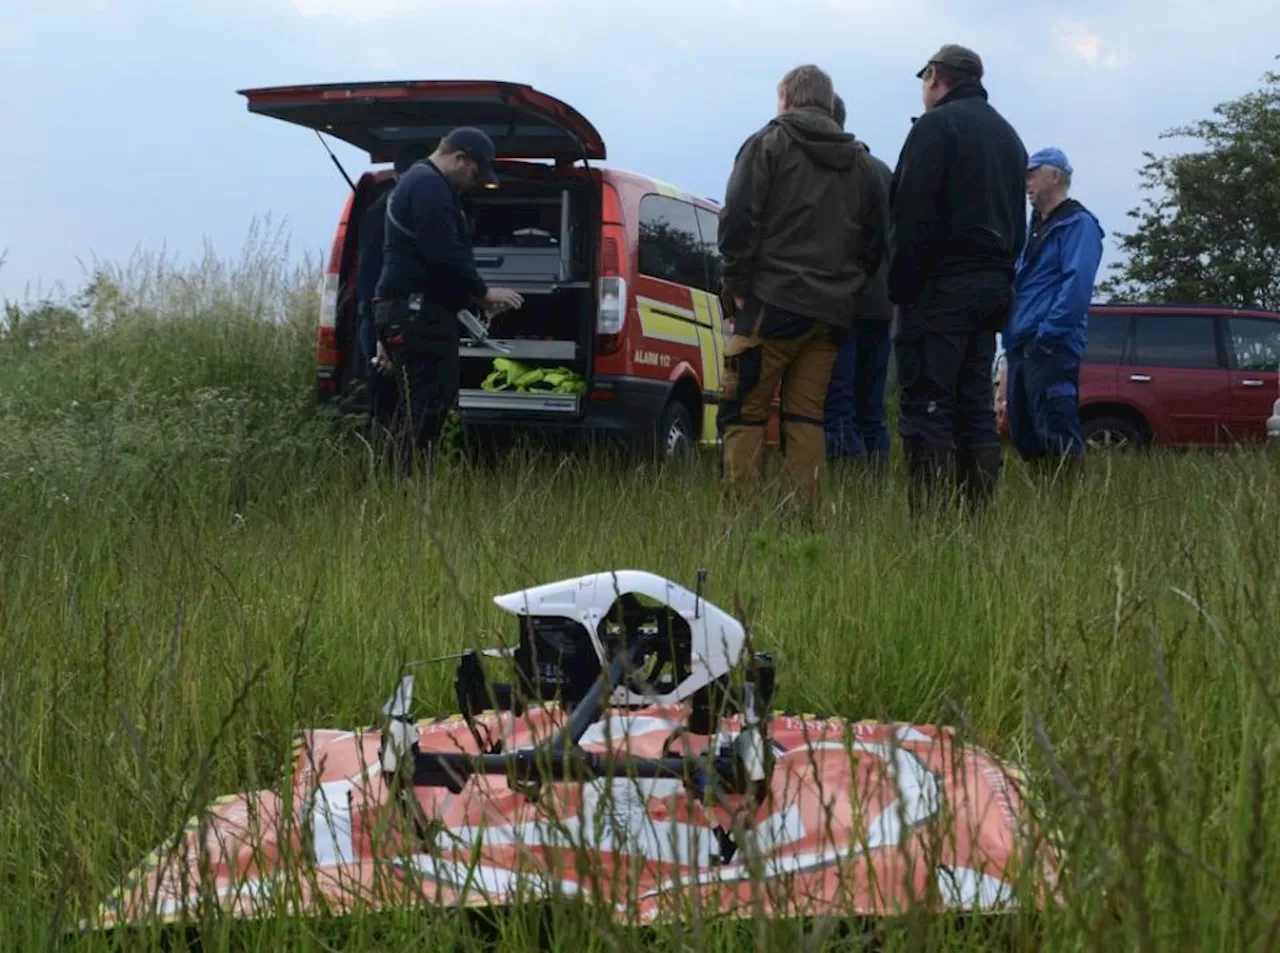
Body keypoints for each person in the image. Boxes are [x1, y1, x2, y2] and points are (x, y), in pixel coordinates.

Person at [716, 64, 887, 517]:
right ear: (828, 103)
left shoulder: (768, 144)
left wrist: (735, 282)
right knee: (806, 417)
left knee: (744, 410)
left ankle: (742, 520)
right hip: (830, 315)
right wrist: (847, 286)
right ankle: (804, 522)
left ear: (788, 98)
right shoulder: (863, 164)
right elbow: (876, 241)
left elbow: (737, 220)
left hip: (771, 303)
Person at [888, 44, 1028, 514]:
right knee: (974, 408)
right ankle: (977, 518)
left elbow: (910, 216)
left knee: (928, 405)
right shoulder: (1010, 137)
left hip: (940, 289)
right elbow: (1018, 226)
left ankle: (931, 522)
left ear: (934, 77)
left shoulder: (935, 128)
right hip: (991, 292)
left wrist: (903, 291)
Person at [371, 127, 524, 473]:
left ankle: (399, 486)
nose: (474, 180)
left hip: (401, 310)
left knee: (413, 408)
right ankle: (408, 489)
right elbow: (443, 254)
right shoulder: (429, 187)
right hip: (418, 314)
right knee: (429, 408)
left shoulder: (415, 182)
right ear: (459, 158)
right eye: (474, 171)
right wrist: (483, 294)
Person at [1003, 147, 1103, 475]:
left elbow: (1076, 287)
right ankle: (1049, 507)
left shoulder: (1078, 224)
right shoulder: (1034, 229)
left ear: (1055, 176)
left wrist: (1048, 336)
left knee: (1056, 429)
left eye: (1032, 174)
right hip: (1021, 344)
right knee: (1025, 432)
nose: (1026, 183)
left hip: (1051, 346)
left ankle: (1067, 507)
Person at [822, 92, 895, 473]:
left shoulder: (840, 173)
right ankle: (876, 481)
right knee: (872, 405)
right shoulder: (884, 171)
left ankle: (847, 483)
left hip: (845, 303)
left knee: (839, 401)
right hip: (882, 305)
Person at [343, 143, 430, 419]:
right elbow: (373, 275)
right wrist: (382, 331)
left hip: (376, 314)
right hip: (384, 315)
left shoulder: (380, 206)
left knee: (386, 397)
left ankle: (388, 455)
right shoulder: (395, 210)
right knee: (391, 398)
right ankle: (392, 457)